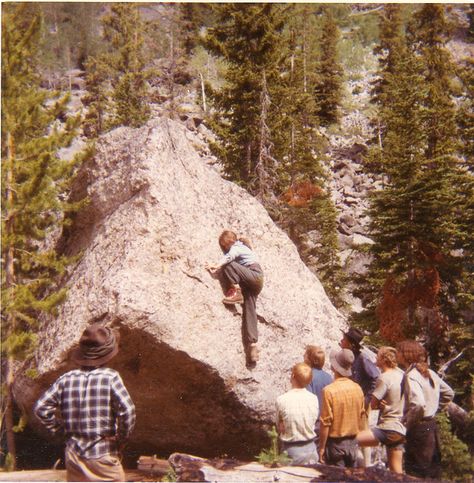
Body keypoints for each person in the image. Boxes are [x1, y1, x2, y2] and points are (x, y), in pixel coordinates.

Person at [35, 324, 136, 482]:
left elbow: (41, 409)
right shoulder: (111, 377)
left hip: (74, 456)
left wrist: (63, 432)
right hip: (103, 455)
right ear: (107, 354)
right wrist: (120, 439)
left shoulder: (66, 379)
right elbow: (128, 411)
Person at [397, 340, 454, 479]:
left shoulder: (412, 376)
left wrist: (408, 423)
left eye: (398, 351)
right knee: (433, 471)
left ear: (406, 355)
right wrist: (434, 408)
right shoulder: (429, 373)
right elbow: (449, 393)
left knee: (416, 473)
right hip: (431, 427)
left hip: (419, 429)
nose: (396, 354)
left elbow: (418, 404)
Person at [206, 230, 264, 363]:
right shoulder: (245, 247)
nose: (225, 248)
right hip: (254, 283)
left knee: (228, 265)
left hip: (254, 275)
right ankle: (252, 346)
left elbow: (230, 256)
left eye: (225, 245)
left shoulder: (237, 247)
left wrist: (216, 265)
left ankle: (237, 292)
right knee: (249, 311)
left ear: (230, 242)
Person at [356, 347, 405, 474]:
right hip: (400, 428)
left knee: (352, 441)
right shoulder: (401, 376)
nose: (375, 359)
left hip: (387, 427)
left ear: (384, 359)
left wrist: (380, 405)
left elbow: (373, 404)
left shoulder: (384, 378)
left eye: (378, 356)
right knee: (397, 472)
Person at [319, 349, 365, 468]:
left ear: (334, 368)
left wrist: (322, 447)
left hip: (336, 444)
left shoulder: (329, 391)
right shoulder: (358, 388)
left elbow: (326, 423)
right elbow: (362, 416)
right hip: (353, 443)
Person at [340, 327, 380, 466]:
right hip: (351, 400)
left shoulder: (362, 359)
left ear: (351, 343)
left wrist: (367, 399)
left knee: (362, 431)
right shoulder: (350, 357)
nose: (341, 341)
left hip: (361, 402)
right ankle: (356, 462)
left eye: (344, 339)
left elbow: (375, 378)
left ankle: (367, 464)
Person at [276, 363, 319, 465]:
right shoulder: (314, 399)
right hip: (311, 449)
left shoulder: (282, 400)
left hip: (290, 451)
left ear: (292, 376)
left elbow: (280, 427)